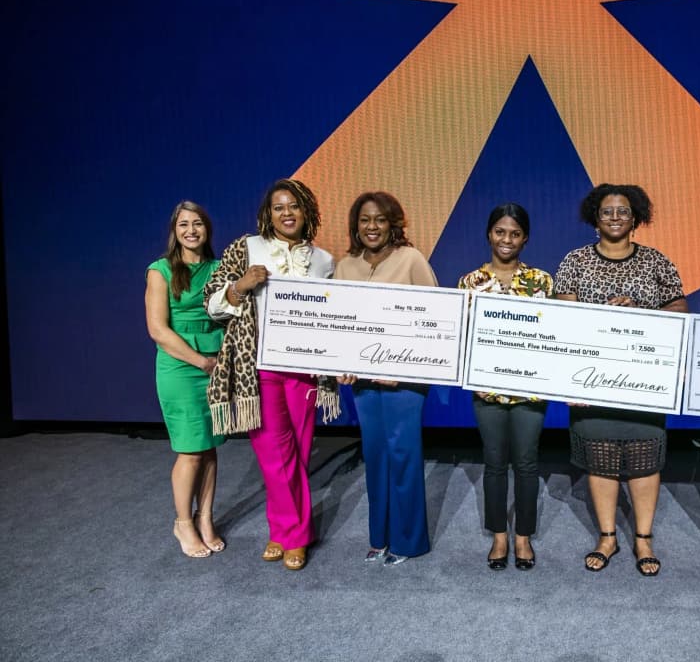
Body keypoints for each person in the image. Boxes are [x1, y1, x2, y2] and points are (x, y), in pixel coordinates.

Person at [554, 183, 688, 576]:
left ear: (636, 218)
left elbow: (678, 306)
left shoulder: (656, 261)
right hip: (590, 380)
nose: (615, 218)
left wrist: (640, 309)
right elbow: (562, 321)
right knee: (601, 455)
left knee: (645, 454)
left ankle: (643, 538)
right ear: (595, 217)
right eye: (607, 211)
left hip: (643, 381)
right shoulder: (575, 261)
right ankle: (608, 536)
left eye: (623, 212)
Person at [204, 179, 336, 571]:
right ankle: (294, 535)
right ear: (268, 214)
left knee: (297, 448)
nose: (287, 213)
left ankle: (285, 531)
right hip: (258, 370)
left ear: (306, 210)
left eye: (293, 206)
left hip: (306, 371)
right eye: (279, 207)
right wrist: (240, 286)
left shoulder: (325, 261)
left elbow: (334, 319)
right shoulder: (245, 249)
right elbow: (212, 304)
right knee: (273, 455)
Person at [335, 191, 438, 565]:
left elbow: (435, 320)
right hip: (363, 382)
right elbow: (340, 324)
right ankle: (379, 536)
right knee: (375, 456)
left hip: (404, 382)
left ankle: (408, 541)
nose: (372, 227)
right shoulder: (345, 265)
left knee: (403, 455)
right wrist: (341, 362)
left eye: (380, 219)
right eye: (365, 220)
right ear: (355, 225)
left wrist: (406, 368)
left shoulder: (410, 259)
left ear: (393, 223)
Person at [458, 203, 554, 571]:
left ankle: (523, 537)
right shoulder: (469, 283)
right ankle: (499, 535)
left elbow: (552, 336)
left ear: (525, 238)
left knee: (527, 464)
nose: (507, 239)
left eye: (515, 233)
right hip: (487, 391)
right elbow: (463, 339)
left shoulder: (541, 282)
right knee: (495, 463)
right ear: (489, 234)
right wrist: (472, 379)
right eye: (500, 232)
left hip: (531, 391)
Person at [145, 201, 226, 558]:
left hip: (217, 362)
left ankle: (205, 517)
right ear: (174, 232)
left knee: (210, 449)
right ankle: (183, 523)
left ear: (207, 229)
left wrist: (220, 362)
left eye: (197, 224)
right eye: (183, 225)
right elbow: (158, 331)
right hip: (180, 366)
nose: (191, 230)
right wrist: (200, 361)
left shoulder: (220, 268)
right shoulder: (159, 271)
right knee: (190, 451)